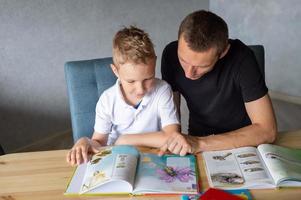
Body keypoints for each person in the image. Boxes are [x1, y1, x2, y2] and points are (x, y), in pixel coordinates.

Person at [66, 26, 191, 166]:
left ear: (155, 63)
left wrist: (126, 140)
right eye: (131, 81)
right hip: (119, 160)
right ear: (115, 71)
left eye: (148, 78)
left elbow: (172, 137)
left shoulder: (162, 90)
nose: (140, 90)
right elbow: (99, 142)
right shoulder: (107, 100)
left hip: (153, 157)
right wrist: (85, 141)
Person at [160, 10, 277, 155]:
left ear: (223, 52)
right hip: (197, 138)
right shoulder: (170, 54)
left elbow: (267, 131)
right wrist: (176, 141)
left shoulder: (243, 58)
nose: (188, 73)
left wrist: (200, 143)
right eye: (183, 60)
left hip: (243, 142)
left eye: (201, 66)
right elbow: (171, 120)